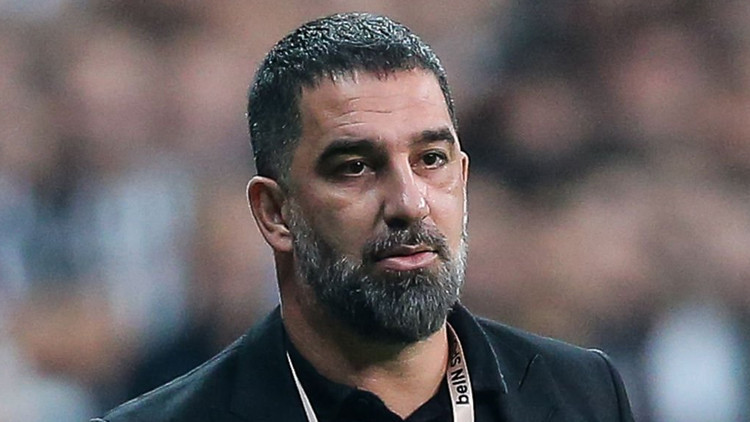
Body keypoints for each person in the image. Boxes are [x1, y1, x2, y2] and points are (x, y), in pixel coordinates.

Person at [93, 12, 634, 422]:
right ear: (275, 213)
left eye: (431, 160)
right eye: (355, 167)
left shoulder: (582, 395)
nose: (409, 203)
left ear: (463, 177)